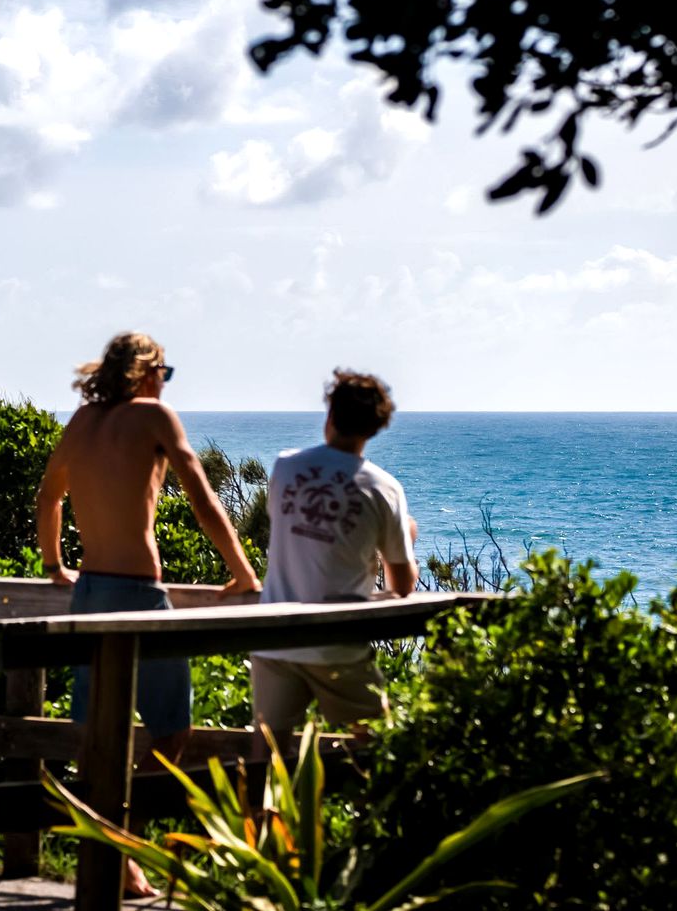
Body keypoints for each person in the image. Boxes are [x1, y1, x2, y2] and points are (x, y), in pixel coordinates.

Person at [36, 332, 261, 896]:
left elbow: (49, 495)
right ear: (147, 371)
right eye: (166, 372)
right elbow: (203, 496)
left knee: (95, 732)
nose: (165, 382)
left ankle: (108, 858)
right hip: (138, 592)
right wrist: (243, 573)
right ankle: (124, 845)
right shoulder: (155, 415)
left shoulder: (82, 421)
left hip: (88, 592)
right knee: (172, 728)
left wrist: (55, 566)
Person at [250, 369, 418, 748]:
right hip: (337, 642)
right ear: (375, 428)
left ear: (330, 416)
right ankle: (365, 805)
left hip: (273, 636)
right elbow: (402, 587)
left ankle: (260, 810)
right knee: (376, 745)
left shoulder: (285, 467)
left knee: (265, 754)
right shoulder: (384, 489)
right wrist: (406, 537)